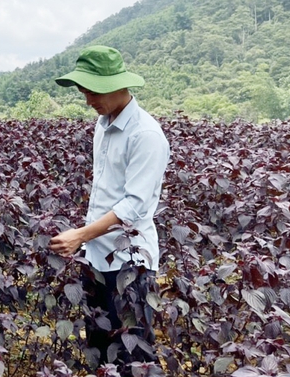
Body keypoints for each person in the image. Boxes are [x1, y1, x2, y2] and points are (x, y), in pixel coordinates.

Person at [49, 45, 170, 372]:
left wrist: (80, 235)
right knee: (102, 347)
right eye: (83, 91)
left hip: (130, 263)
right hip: (97, 257)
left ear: (120, 84)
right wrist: (85, 240)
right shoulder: (103, 125)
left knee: (134, 353)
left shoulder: (145, 135)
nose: (88, 99)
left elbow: (133, 206)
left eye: (94, 90)